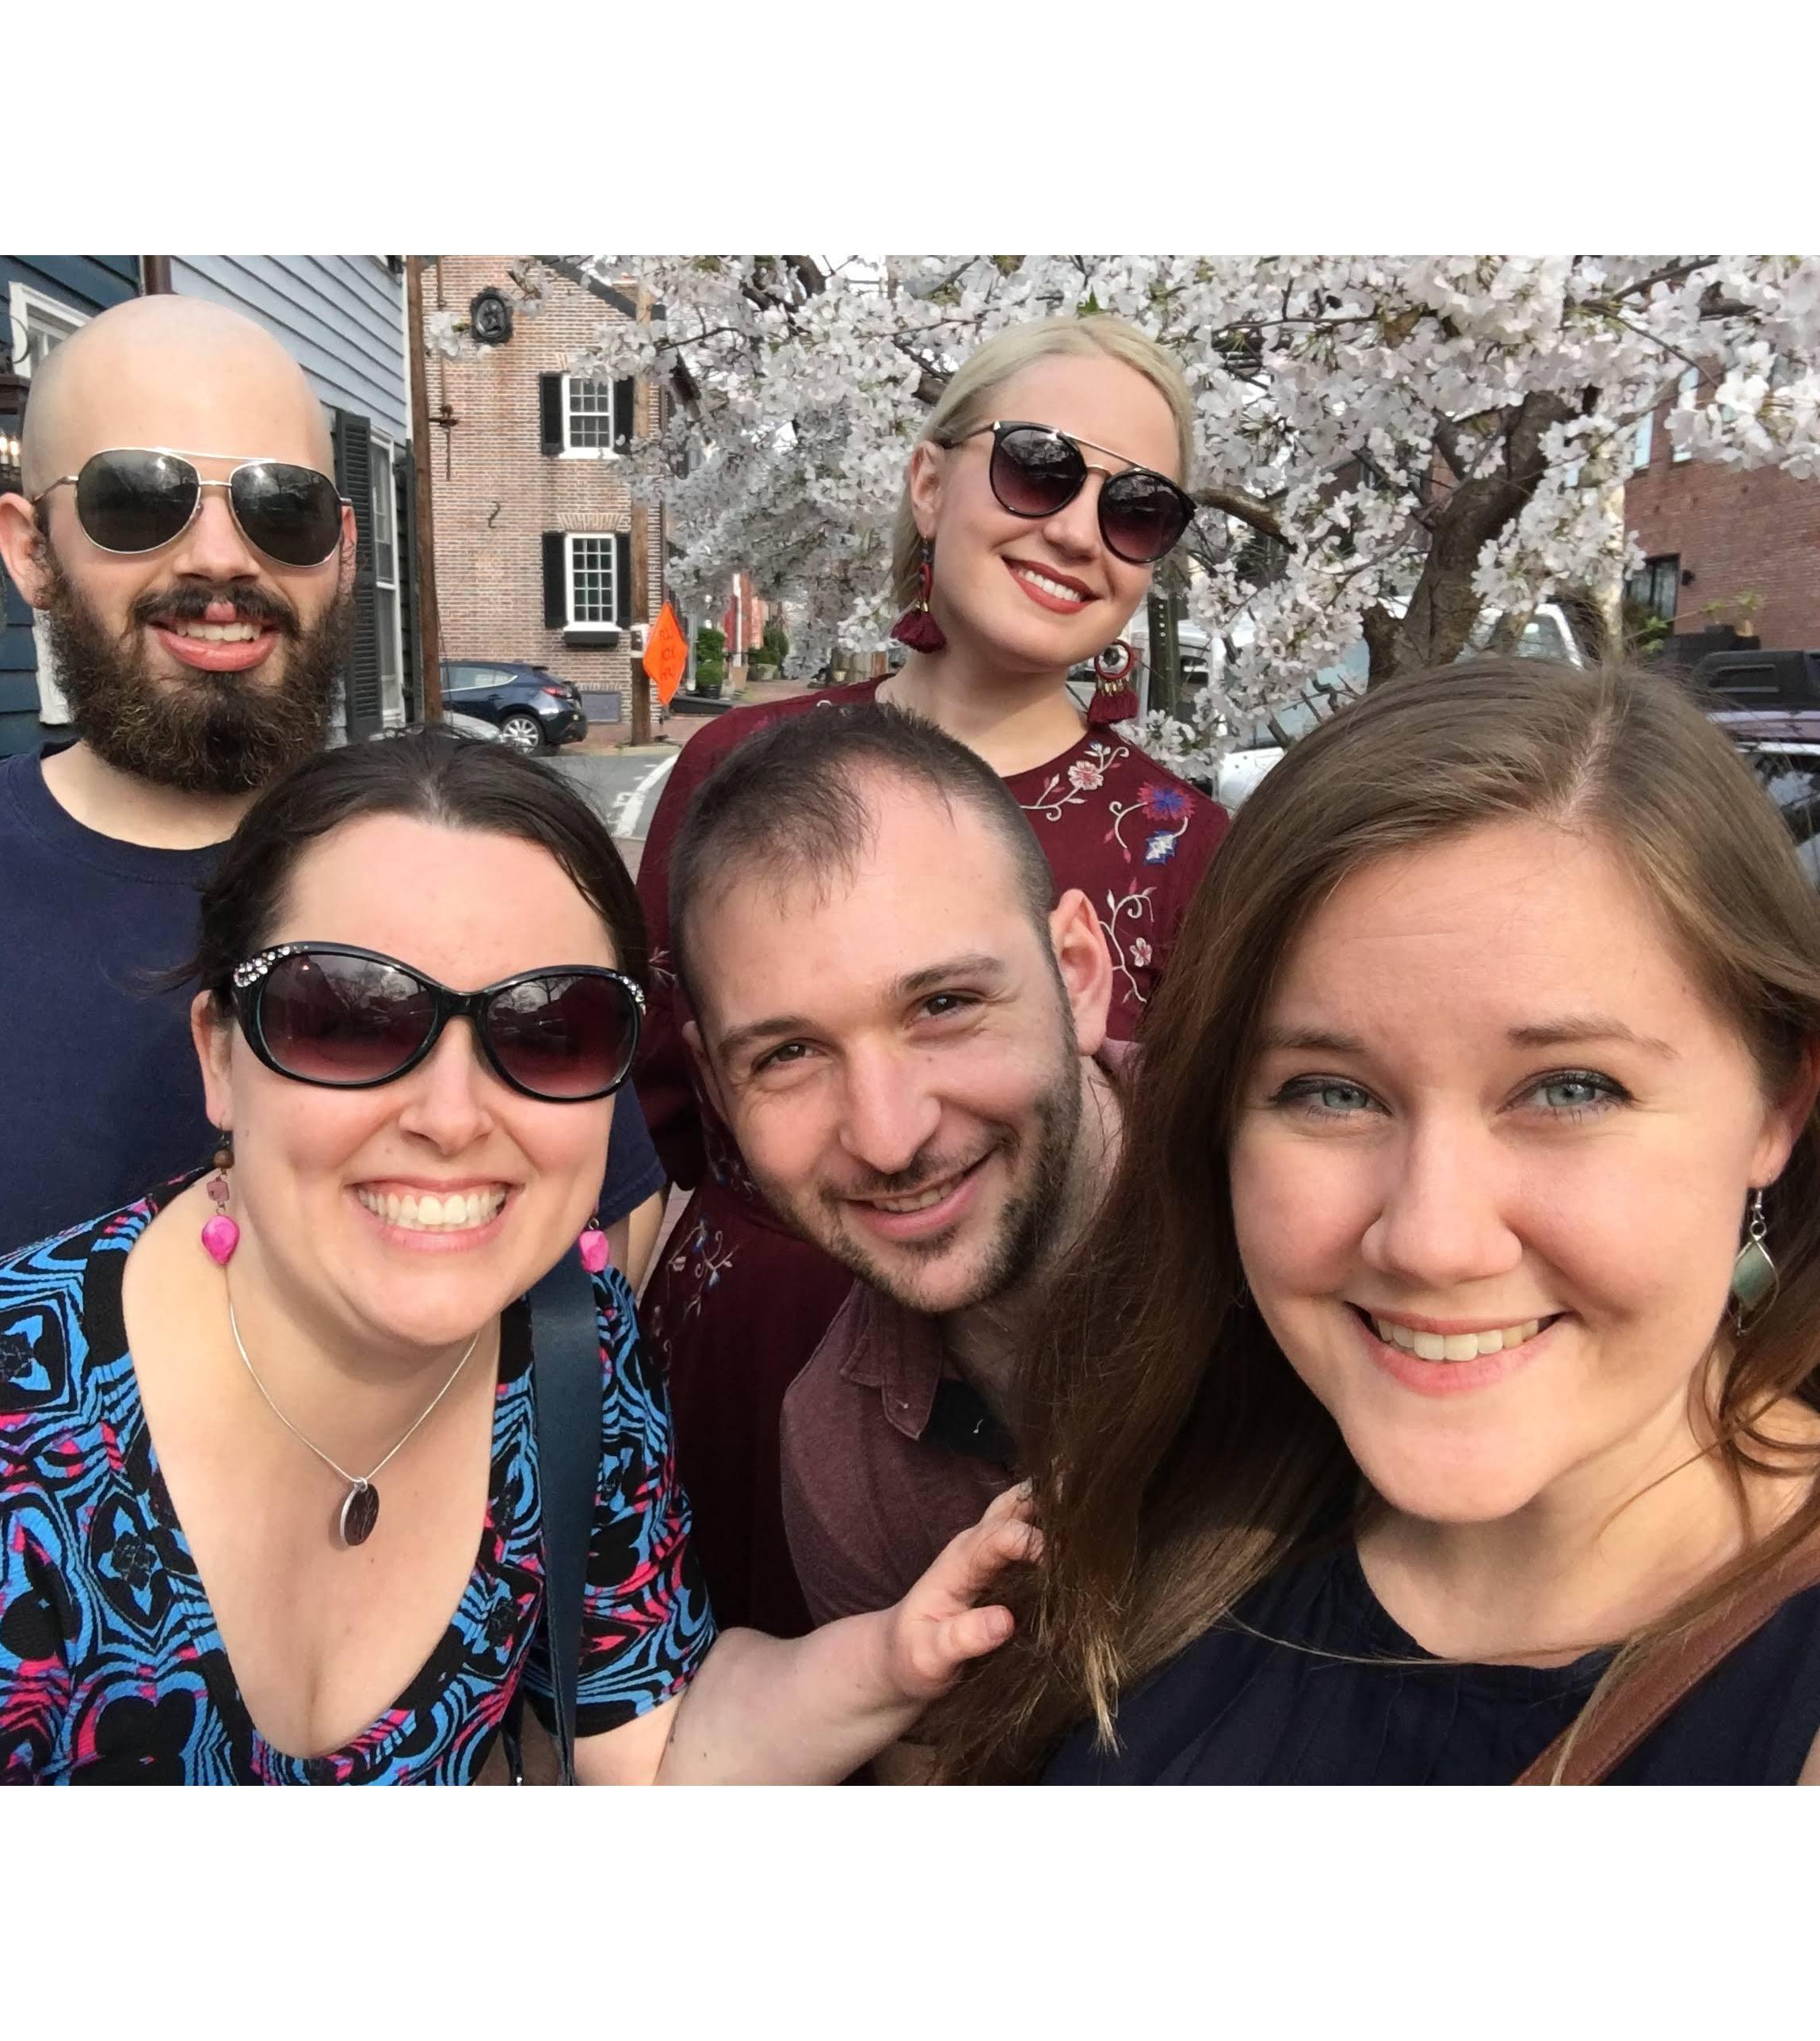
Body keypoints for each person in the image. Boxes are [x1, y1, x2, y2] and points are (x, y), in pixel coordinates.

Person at [0, 731, 1032, 1784]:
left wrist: (886, 1660)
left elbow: (644, 1750)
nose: (449, 1115)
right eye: (347, 1016)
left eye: (551, 1029)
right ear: (221, 1054)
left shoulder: (563, 1336)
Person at [928, 658, 1820, 1787]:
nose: (1432, 1240)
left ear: (1776, 1108)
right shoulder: (1146, 1533)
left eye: (1571, 1089)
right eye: (1331, 1093)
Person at [0, 296, 667, 1366]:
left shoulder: (479, 867)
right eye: (135, 499)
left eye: (279, 510)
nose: (219, 562)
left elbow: (606, 1251)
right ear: (30, 550)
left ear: (339, 550)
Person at [635, 314, 1228, 1635]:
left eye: (1138, 508)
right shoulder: (736, 774)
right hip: (739, 1360)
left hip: (1014, 1426)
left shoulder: (1185, 846)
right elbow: (645, 1114)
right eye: (1037, 468)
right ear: (928, 481)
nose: (1077, 528)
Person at [667, 702, 1131, 1639]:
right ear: (717, 1090)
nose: (886, 1138)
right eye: (788, 1054)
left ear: (1078, 974)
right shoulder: (840, 1452)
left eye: (944, 1003)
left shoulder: (1297, 1221)